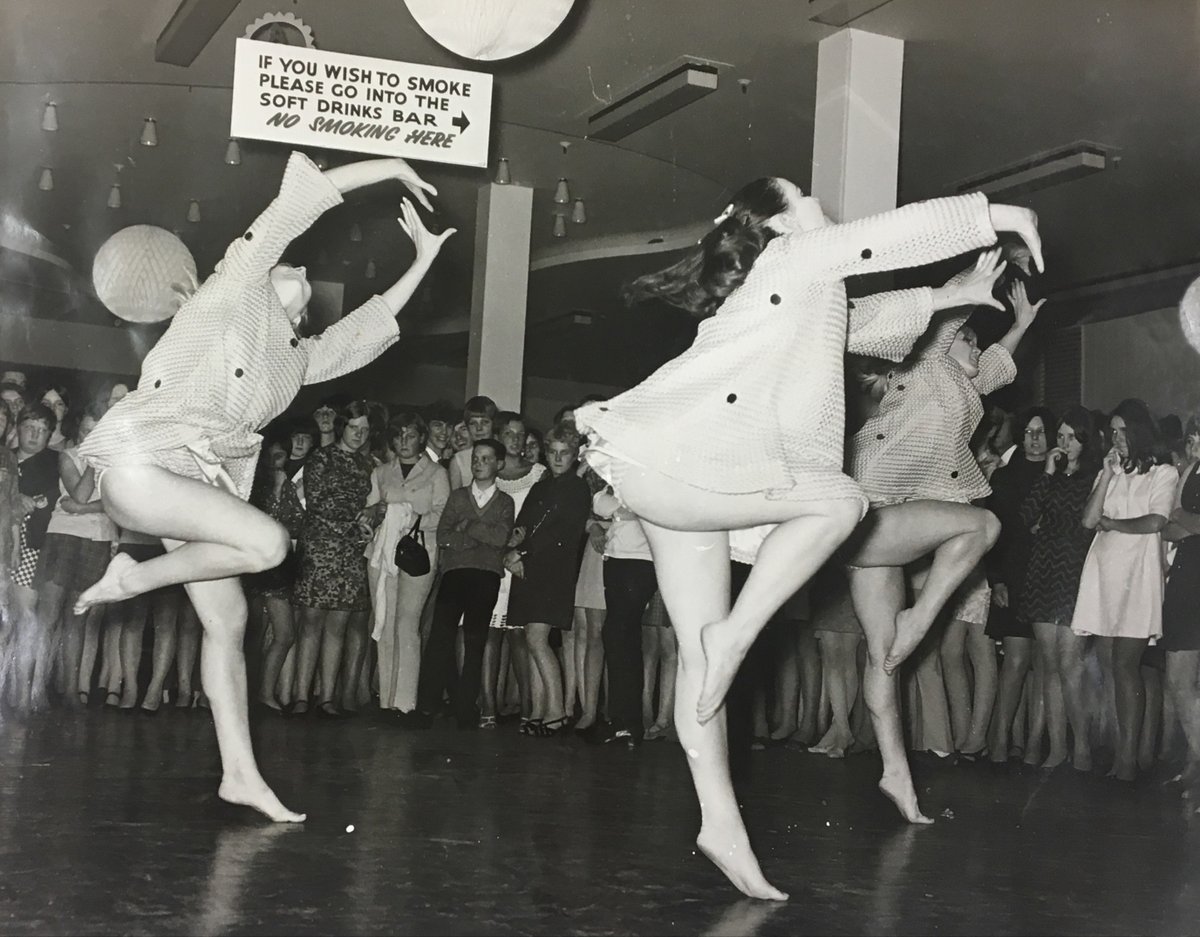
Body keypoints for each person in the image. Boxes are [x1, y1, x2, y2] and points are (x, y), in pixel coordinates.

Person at [575, 175, 1041, 899]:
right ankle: (735, 638)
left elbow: (860, 322)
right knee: (839, 501)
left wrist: (950, 297)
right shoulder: (797, 255)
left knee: (702, 667)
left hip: (682, 480)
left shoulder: (791, 278)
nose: (820, 200)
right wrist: (996, 214)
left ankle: (719, 825)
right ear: (781, 221)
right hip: (691, 470)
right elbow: (884, 236)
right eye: (804, 195)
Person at [72, 151, 453, 821]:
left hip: (197, 484)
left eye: (303, 272)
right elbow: (298, 206)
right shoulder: (236, 283)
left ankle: (240, 774)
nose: (299, 266)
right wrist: (390, 164)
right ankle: (133, 577)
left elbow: (369, 329)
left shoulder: (298, 360)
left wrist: (423, 260)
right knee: (272, 543)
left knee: (230, 620)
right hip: (140, 458)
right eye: (292, 264)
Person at [841, 268, 1042, 822]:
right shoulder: (925, 361)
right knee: (982, 527)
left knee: (885, 658)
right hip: (871, 513)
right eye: (969, 339)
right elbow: (952, 313)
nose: (976, 345)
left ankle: (896, 776)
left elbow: (997, 360)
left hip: (883, 533)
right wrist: (980, 265)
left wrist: (1021, 323)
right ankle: (920, 619)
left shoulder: (968, 384)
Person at [1071, 399, 1175, 782]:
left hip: (1137, 577)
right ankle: (1120, 753)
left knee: (1126, 667)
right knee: (1112, 669)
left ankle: (1129, 759)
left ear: (1139, 431)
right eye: (1112, 432)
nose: (1117, 438)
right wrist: (1108, 475)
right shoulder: (1113, 470)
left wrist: (1113, 524)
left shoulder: (1162, 472)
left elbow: (1155, 521)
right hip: (1103, 575)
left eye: (1123, 431)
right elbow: (1087, 520)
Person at [1019, 406, 1100, 769]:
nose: (1064, 443)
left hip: (1073, 573)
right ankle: (1056, 748)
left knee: (1070, 666)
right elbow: (1026, 517)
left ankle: (1082, 745)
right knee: (1048, 667)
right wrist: (1048, 474)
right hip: (1041, 572)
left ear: (1085, 440)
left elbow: (1086, 526)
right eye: (1061, 437)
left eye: (1071, 437)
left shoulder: (1093, 478)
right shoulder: (1049, 474)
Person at [416, 439, 514, 728]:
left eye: (486, 459)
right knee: (440, 638)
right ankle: (427, 706)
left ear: (499, 464)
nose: (479, 463)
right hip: (455, 572)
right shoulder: (458, 497)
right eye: (476, 459)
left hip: (486, 575)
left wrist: (468, 527)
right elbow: (443, 535)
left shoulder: (505, 502)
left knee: (475, 641)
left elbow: (501, 539)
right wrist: (479, 536)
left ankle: (465, 708)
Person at [505, 423, 592, 736]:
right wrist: (511, 548)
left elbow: (560, 534)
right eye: (552, 452)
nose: (557, 458)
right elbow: (523, 525)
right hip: (528, 570)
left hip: (553, 572)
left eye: (564, 453)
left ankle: (555, 712)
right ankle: (540, 712)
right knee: (531, 642)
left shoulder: (576, 489)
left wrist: (522, 553)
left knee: (537, 640)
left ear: (573, 455)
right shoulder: (541, 487)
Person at [364, 412, 448, 715]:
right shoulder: (382, 472)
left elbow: (443, 515)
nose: (404, 441)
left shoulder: (436, 473)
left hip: (418, 554)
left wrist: (411, 517)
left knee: (407, 626)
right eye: (399, 435)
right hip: (382, 555)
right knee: (384, 623)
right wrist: (372, 516)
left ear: (421, 438)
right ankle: (386, 701)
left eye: (410, 435)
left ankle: (405, 703)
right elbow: (370, 509)